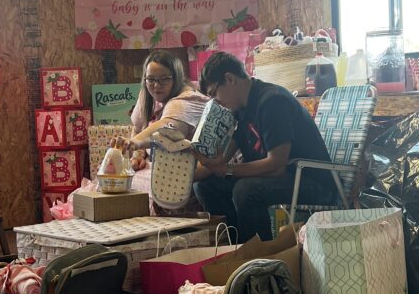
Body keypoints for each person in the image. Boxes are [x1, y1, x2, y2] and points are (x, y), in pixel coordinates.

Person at [193, 52, 336, 241]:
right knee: (205, 186)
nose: (215, 102)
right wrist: (210, 163)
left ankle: (260, 257)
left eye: (214, 94)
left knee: (245, 190)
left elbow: (276, 166)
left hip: (313, 182)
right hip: (285, 177)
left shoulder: (272, 101)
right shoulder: (241, 107)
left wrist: (227, 169)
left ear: (229, 79)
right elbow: (225, 157)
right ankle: (233, 245)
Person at [110, 49, 208, 168]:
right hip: (160, 170)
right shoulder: (147, 94)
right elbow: (137, 128)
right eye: (151, 79)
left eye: (165, 79)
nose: (156, 85)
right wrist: (138, 155)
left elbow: (167, 128)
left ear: (176, 78)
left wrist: (135, 142)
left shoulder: (188, 100)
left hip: (188, 174)